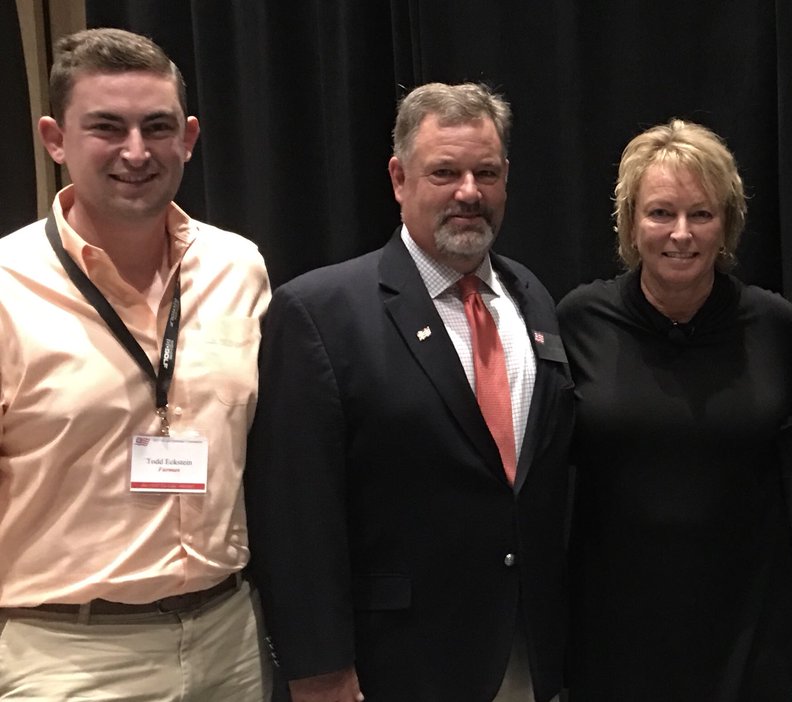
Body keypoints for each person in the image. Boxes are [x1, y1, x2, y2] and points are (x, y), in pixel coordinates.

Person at [245, 82, 574, 702]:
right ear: (399, 178)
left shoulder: (531, 296)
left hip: (527, 652)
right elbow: (294, 515)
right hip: (393, 663)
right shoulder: (320, 312)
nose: (469, 193)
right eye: (444, 172)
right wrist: (318, 670)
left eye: (487, 172)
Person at [0, 28, 270, 699]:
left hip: (228, 635)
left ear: (189, 137)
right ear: (54, 139)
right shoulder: (6, 286)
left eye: (157, 126)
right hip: (66, 654)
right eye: (106, 127)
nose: (135, 151)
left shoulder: (240, 269)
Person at [557, 119, 792, 700]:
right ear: (629, 222)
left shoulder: (776, 327)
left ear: (727, 224)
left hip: (749, 618)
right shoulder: (578, 322)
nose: (681, 233)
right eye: (660, 213)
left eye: (701, 214)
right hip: (614, 622)